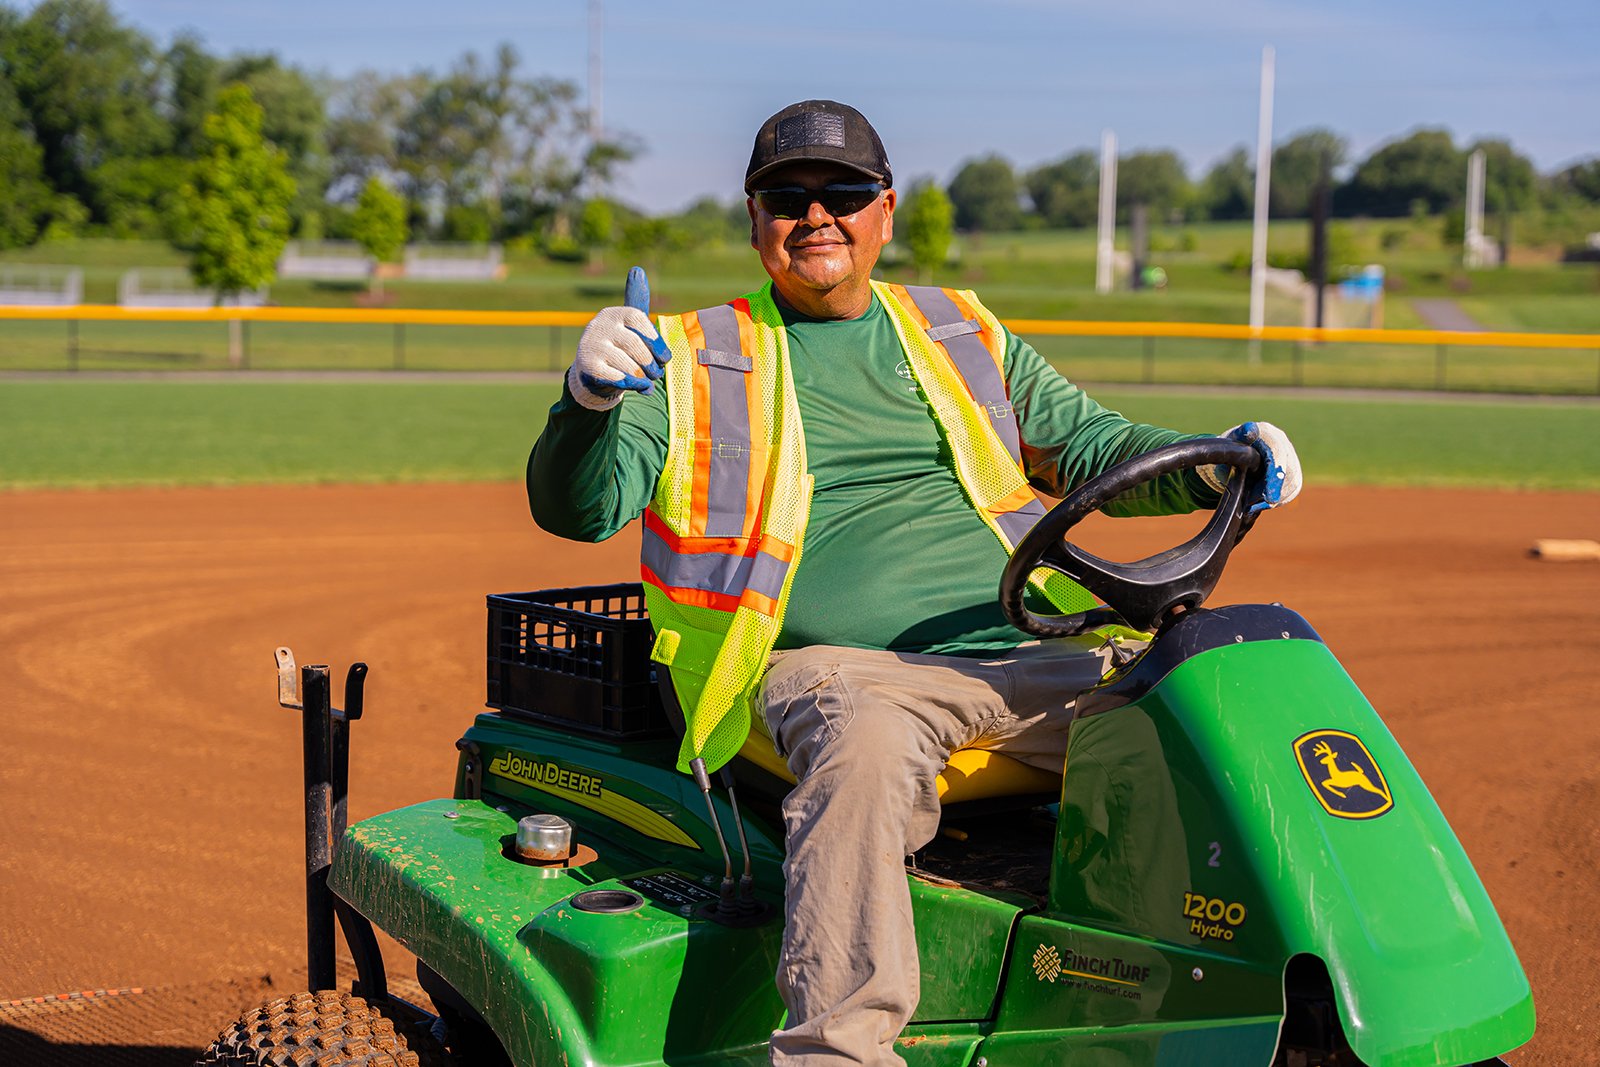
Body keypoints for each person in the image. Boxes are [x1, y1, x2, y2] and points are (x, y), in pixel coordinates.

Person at [528, 99, 1301, 1067]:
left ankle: (1268, 1001)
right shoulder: (686, 358)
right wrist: (586, 401)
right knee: (864, 742)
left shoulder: (958, 329)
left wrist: (1223, 458)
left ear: (884, 211)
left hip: (1032, 649)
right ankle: (834, 1052)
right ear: (755, 221)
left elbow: (1094, 444)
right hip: (845, 672)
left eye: (843, 192)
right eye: (787, 196)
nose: (818, 215)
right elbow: (579, 507)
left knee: (1222, 691)